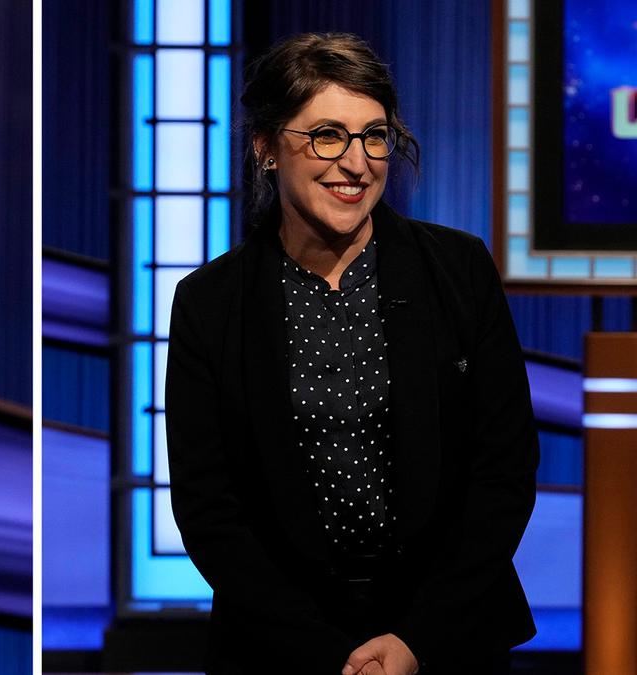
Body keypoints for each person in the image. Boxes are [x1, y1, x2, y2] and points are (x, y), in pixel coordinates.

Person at [165, 33, 538, 675]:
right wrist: (326, 655)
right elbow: (208, 507)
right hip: (279, 647)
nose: (356, 162)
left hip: (448, 635)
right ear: (266, 149)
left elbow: (503, 471)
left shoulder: (459, 269)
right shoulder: (209, 302)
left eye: (373, 136)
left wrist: (418, 640)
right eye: (327, 135)